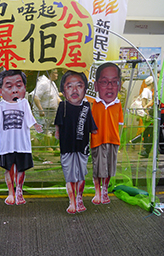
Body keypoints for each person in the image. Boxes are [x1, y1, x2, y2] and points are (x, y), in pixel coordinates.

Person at [0, 70, 42, 206]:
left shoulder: (24, 103)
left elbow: (30, 118)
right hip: (7, 144)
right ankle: (10, 192)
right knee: (8, 168)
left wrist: (35, 125)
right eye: (9, 86)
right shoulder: (0, 105)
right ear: (1, 91)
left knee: (21, 168)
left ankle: (19, 190)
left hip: (22, 143)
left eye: (18, 86)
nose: (14, 90)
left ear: (24, 88)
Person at [54, 71, 97, 214]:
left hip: (82, 146)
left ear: (85, 89)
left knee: (81, 174)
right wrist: (57, 133)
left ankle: (79, 198)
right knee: (69, 175)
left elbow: (91, 125)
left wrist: (96, 133)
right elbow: (58, 125)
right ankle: (71, 201)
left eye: (79, 86)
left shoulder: (86, 107)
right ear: (63, 90)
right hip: (66, 146)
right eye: (69, 86)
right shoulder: (63, 106)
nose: (74, 90)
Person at [91, 63, 123, 205]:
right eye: (104, 82)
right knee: (98, 169)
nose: (110, 86)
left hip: (113, 140)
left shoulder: (118, 104)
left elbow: (120, 125)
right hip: (97, 141)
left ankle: (105, 190)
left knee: (110, 168)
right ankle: (97, 192)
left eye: (114, 82)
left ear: (119, 85)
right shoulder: (93, 104)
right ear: (96, 86)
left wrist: (119, 139)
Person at [31, 69, 61, 135]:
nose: (57, 75)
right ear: (50, 74)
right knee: (42, 132)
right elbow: (35, 96)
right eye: (55, 73)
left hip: (51, 112)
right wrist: (40, 109)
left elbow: (56, 96)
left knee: (50, 132)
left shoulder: (52, 83)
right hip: (43, 112)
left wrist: (63, 105)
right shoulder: (43, 83)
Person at [139, 76, 154, 157]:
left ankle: (146, 149)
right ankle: (145, 148)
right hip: (147, 114)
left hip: (148, 113)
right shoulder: (146, 91)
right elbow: (143, 104)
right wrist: (147, 113)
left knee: (148, 131)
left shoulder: (149, 91)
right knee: (147, 131)